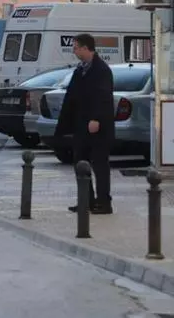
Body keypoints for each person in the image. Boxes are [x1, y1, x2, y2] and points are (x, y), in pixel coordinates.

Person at [54, 33, 115, 215]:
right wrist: (65, 124)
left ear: (86, 48)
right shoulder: (80, 70)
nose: (74, 51)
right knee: (80, 162)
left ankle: (104, 202)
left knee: (99, 165)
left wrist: (96, 118)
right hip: (81, 125)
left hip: (97, 127)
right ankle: (86, 200)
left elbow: (104, 97)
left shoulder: (101, 70)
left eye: (76, 48)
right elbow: (71, 97)